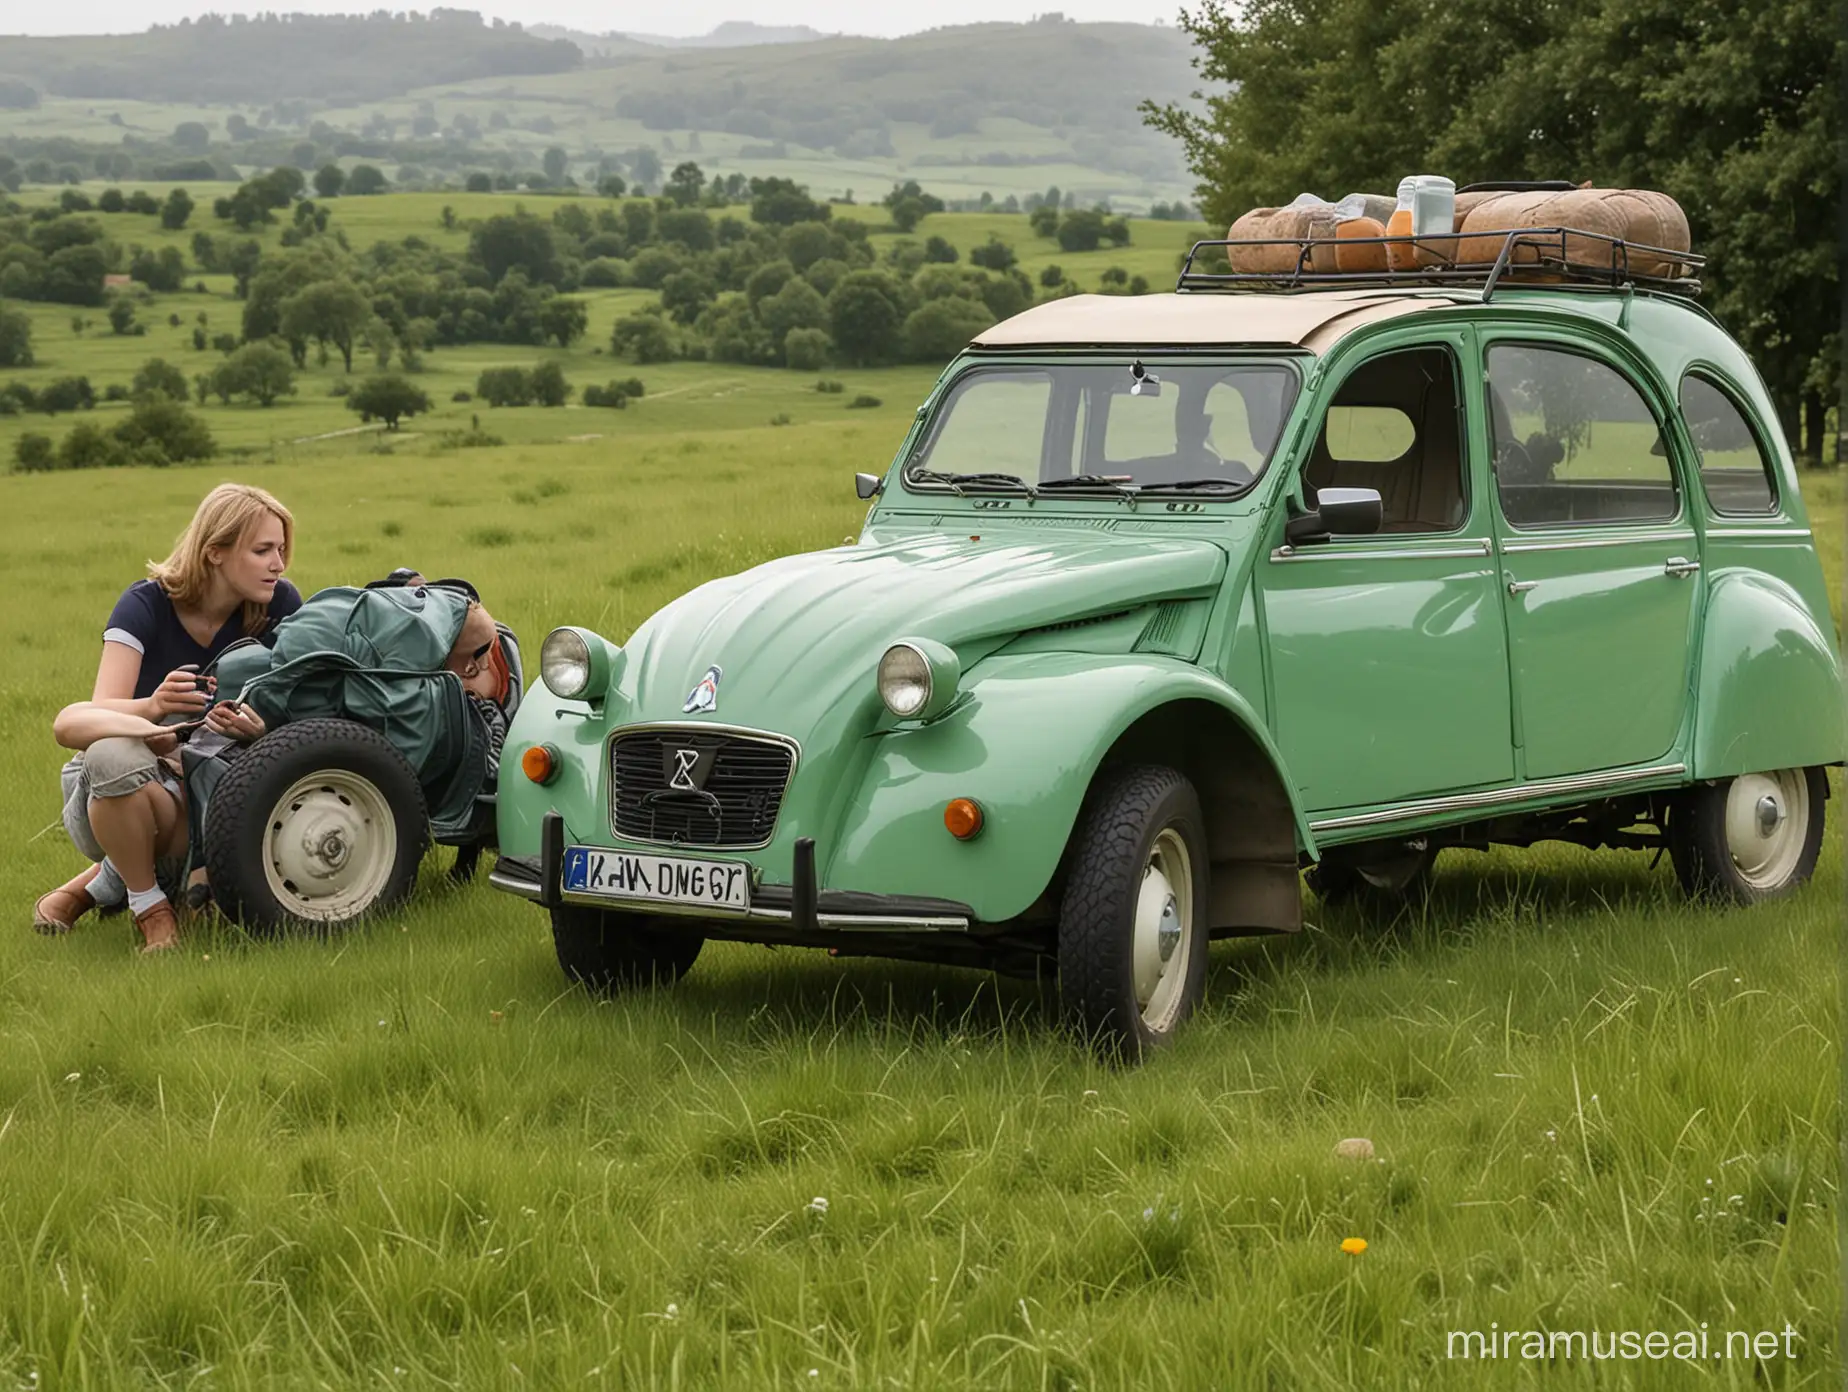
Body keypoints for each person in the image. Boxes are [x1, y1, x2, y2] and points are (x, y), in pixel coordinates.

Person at [33, 483, 302, 951]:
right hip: (122, 785)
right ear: (215, 552)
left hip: (216, 786)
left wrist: (263, 728)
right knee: (112, 753)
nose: (278, 563)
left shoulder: (280, 604)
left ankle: (96, 886)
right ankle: (150, 909)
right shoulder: (145, 604)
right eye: (263, 550)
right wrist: (154, 709)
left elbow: (304, 711)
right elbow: (92, 713)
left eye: (281, 549)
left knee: (212, 815)